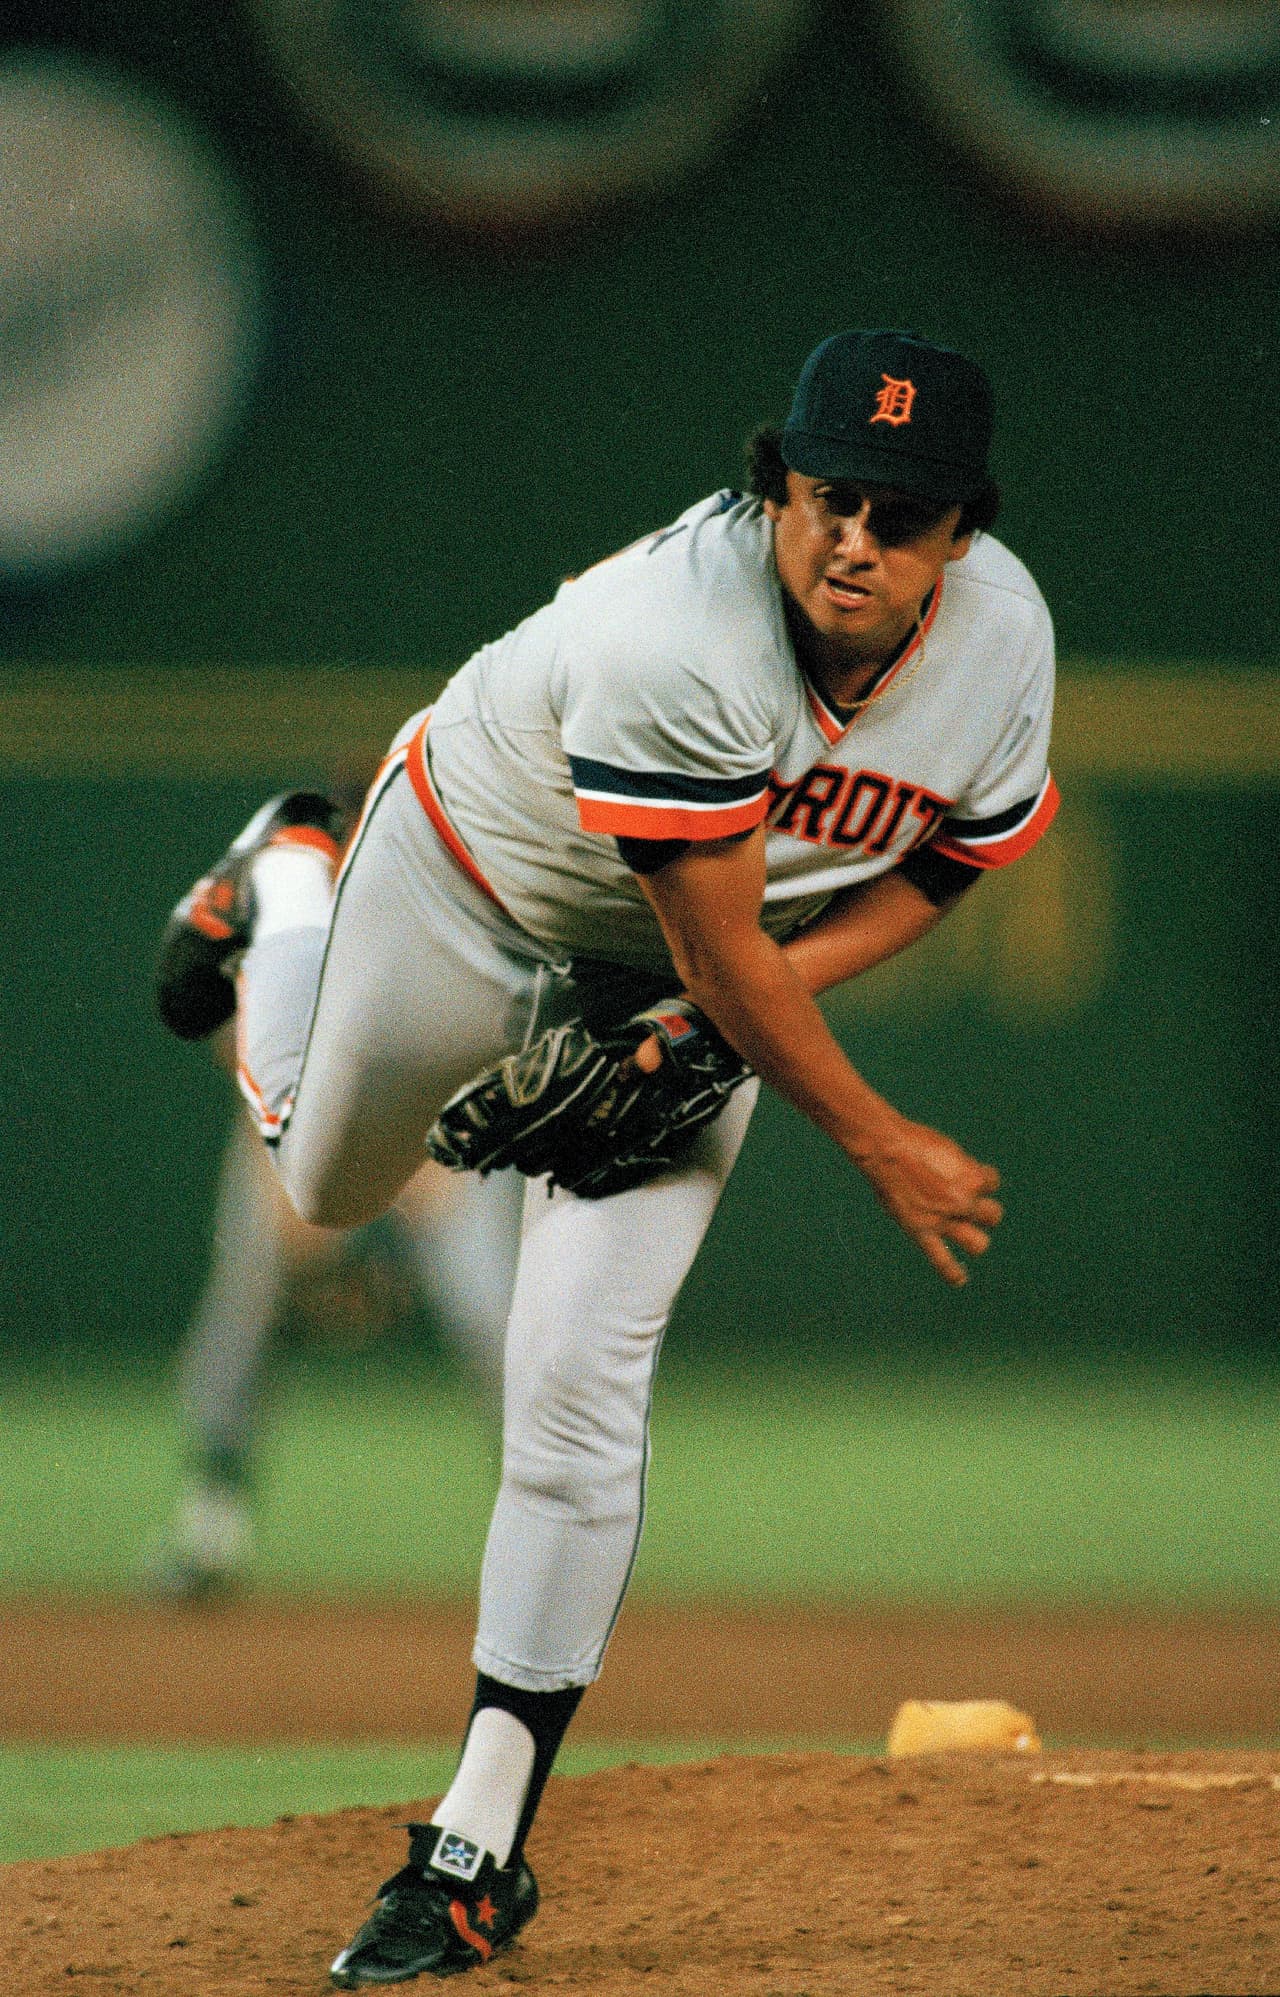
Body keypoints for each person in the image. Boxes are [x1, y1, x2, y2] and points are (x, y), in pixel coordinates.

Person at [155, 329, 1058, 1984]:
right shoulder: (675, 639)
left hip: (710, 963)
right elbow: (711, 958)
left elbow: (951, 861)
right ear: (775, 485)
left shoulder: (1006, 642)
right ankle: (285, 876)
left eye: (906, 513)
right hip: (465, 880)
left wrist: (721, 1031)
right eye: (831, 493)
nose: (858, 535)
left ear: (963, 537)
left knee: (578, 1378)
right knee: (319, 1185)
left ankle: (475, 1847)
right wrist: (877, 1135)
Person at [148, 1091, 522, 1598]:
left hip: (459, 1118)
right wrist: (286, 1188)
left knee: (496, 1326)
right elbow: (253, 1057)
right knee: (241, 1310)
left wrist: (425, 1177)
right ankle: (209, 1535)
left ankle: (545, 1540)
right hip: (295, 1125)